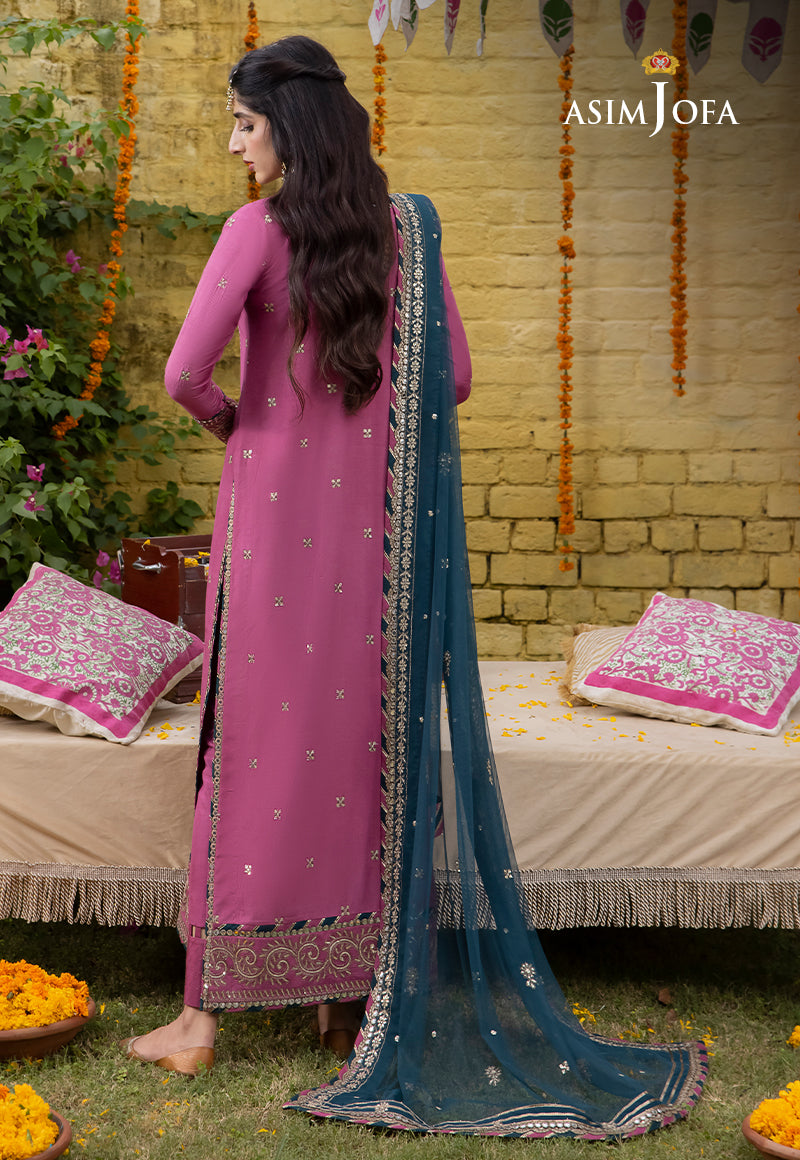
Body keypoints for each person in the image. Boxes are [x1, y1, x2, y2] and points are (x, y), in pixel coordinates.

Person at [123, 35, 708, 1141]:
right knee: (364, 751)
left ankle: (199, 1020)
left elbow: (185, 373)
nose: (235, 144)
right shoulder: (408, 233)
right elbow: (459, 379)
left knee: (248, 747)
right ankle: (352, 1005)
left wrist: (242, 423)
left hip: (272, 535)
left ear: (288, 129)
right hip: (378, 547)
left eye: (244, 124)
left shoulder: (255, 232)